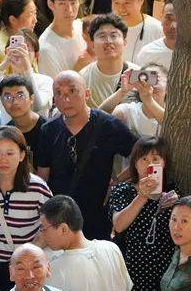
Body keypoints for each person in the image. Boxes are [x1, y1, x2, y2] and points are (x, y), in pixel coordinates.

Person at [35, 71, 137, 241]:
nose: (66, 99)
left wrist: (118, 182)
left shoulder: (108, 125)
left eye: (72, 91)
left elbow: (138, 154)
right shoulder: (48, 130)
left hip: (97, 215)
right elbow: (42, 176)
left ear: (87, 94)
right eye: (59, 93)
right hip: (60, 218)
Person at [0, 126, 52, 291]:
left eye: (10, 153)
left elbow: (51, 226)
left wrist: (26, 255)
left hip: (29, 267)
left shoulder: (37, 187)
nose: (3, 160)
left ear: (22, 155)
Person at [107, 138, 181, 291]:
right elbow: (119, 225)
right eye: (144, 159)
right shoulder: (123, 191)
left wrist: (177, 210)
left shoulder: (172, 193)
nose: (150, 164)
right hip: (132, 269)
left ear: (164, 162)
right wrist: (142, 196)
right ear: (135, 163)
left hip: (165, 272)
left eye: (156, 159)